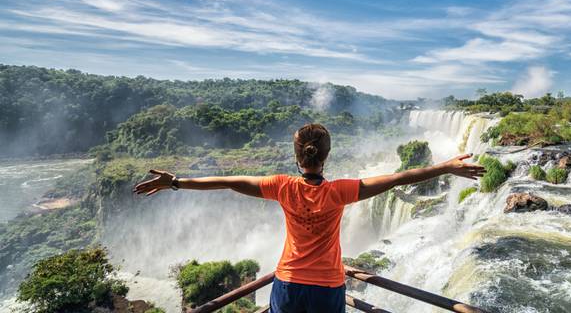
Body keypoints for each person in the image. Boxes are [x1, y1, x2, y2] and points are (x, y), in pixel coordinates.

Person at [133, 123, 485, 313]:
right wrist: (446, 167)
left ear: (297, 156)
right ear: (326, 156)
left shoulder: (281, 186)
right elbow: (399, 177)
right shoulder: (341, 191)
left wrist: (176, 182)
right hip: (328, 288)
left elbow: (228, 181)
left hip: (287, 285)